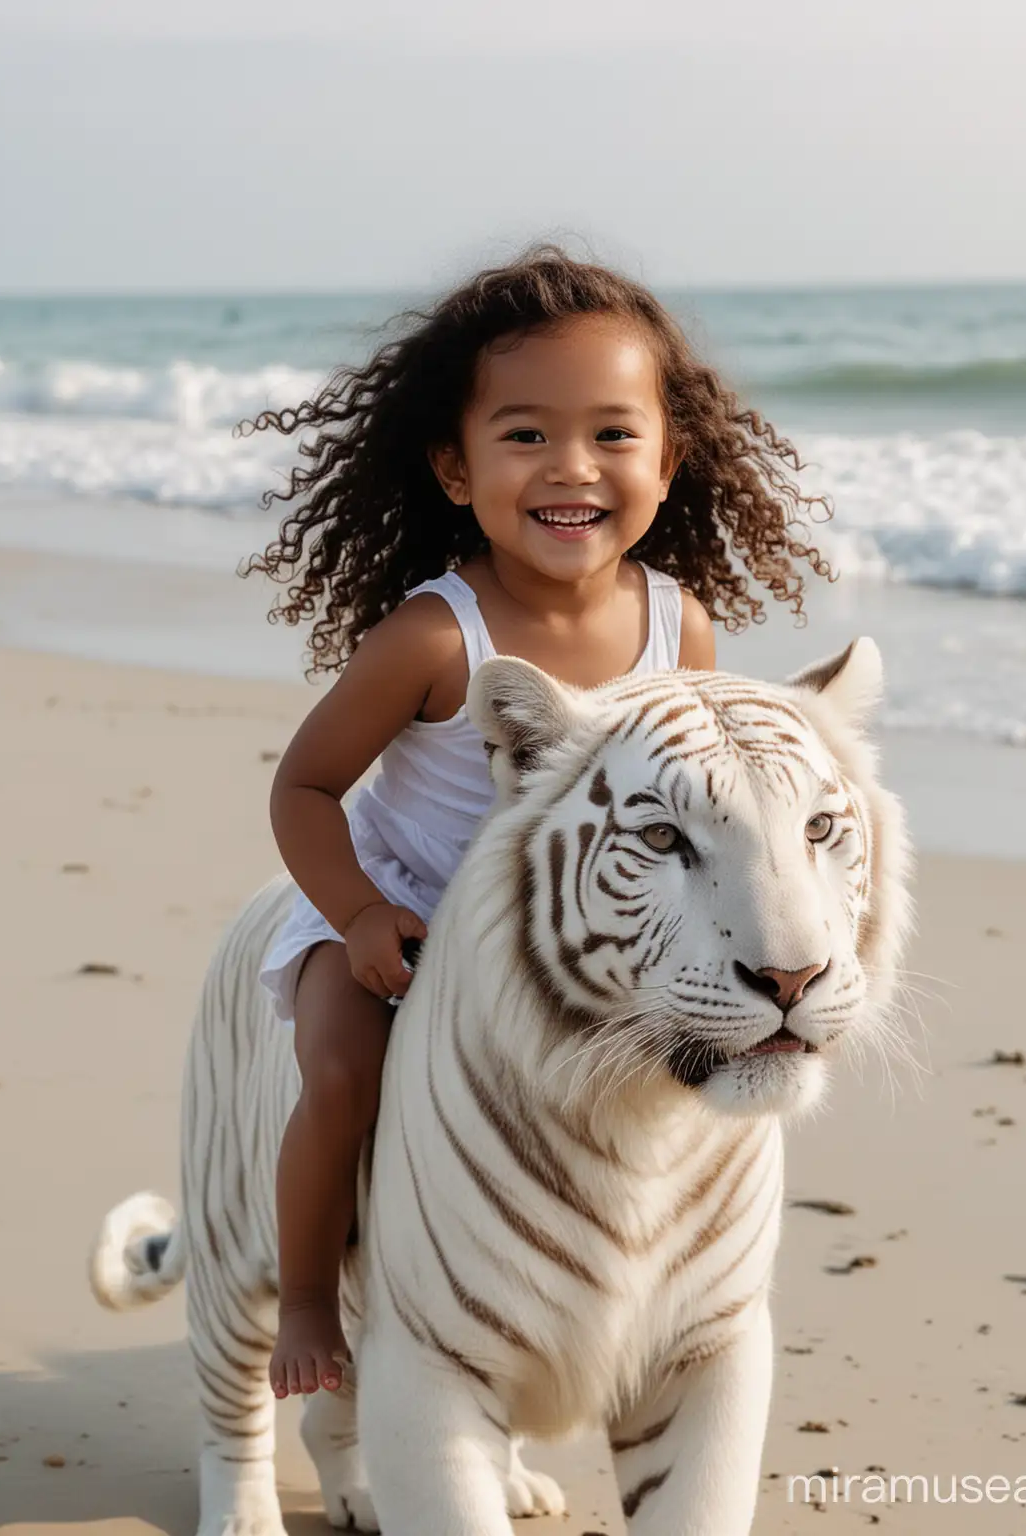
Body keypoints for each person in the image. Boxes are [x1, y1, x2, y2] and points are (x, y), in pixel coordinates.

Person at [241, 248, 833, 1399]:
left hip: (573, 941)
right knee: (344, 1077)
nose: (574, 467)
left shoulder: (679, 625)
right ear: (456, 469)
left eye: (614, 434)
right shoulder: (435, 636)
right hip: (403, 918)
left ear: (669, 460)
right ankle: (311, 1292)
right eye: (525, 436)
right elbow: (303, 790)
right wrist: (359, 915)